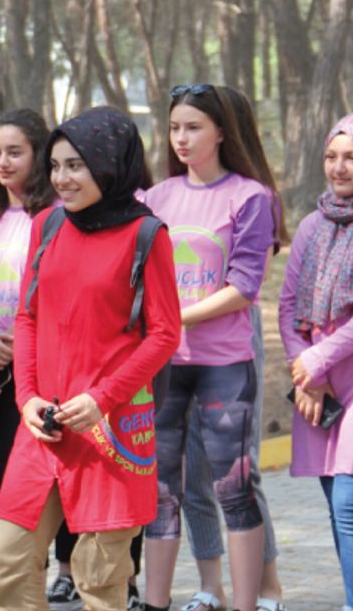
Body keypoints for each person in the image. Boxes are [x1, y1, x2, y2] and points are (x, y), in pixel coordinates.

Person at [0, 106, 181, 611]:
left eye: (76, 165)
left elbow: (164, 334)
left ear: (109, 165)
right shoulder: (46, 225)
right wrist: (26, 398)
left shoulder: (147, 235)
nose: (61, 178)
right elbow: (27, 316)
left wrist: (102, 399)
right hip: (43, 425)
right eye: (55, 165)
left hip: (111, 430)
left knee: (100, 579)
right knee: (7, 555)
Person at [145, 85, 290, 611]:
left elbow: (244, 287)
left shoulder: (250, 197)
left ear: (222, 132)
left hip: (225, 363)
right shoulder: (154, 199)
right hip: (166, 364)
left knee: (235, 485)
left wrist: (173, 317)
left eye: (194, 128)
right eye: (174, 128)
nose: (181, 139)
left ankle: (258, 597)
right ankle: (168, 598)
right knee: (165, 489)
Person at [0, 108, 57, 529]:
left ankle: (41, 562)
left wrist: (10, 354)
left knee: (29, 478)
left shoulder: (57, 213)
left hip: (38, 362)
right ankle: (0, 561)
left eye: (15, 152)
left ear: (38, 155)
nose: (2, 162)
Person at [279, 112, 353, 611]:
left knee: (348, 503)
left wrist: (317, 360)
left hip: (342, 372)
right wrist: (306, 373)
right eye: (331, 157)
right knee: (334, 501)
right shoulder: (311, 225)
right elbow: (287, 306)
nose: (339, 167)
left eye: (350, 158)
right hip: (318, 383)